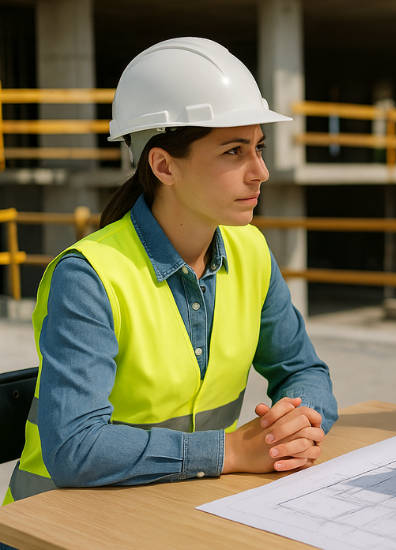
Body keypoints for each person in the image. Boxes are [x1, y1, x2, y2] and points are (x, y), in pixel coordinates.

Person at [3, 37, 337, 505]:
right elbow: (75, 449)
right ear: (163, 165)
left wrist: (294, 428)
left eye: (259, 148)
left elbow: (304, 370)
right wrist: (230, 450)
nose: (260, 171)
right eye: (234, 152)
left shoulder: (252, 251)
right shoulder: (89, 277)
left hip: (175, 507)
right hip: (53, 523)